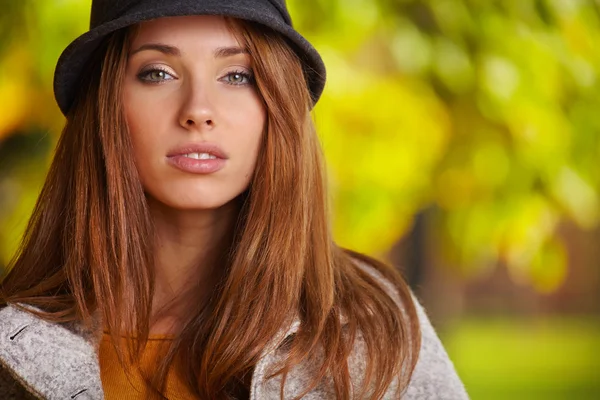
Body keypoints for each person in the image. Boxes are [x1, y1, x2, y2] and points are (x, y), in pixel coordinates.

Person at [0, 0, 468, 399]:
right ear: (105, 104)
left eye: (238, 75)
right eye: (157, 72)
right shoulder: (15, 344)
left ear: (278, 103)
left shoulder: (376, 324)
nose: (198, 110)